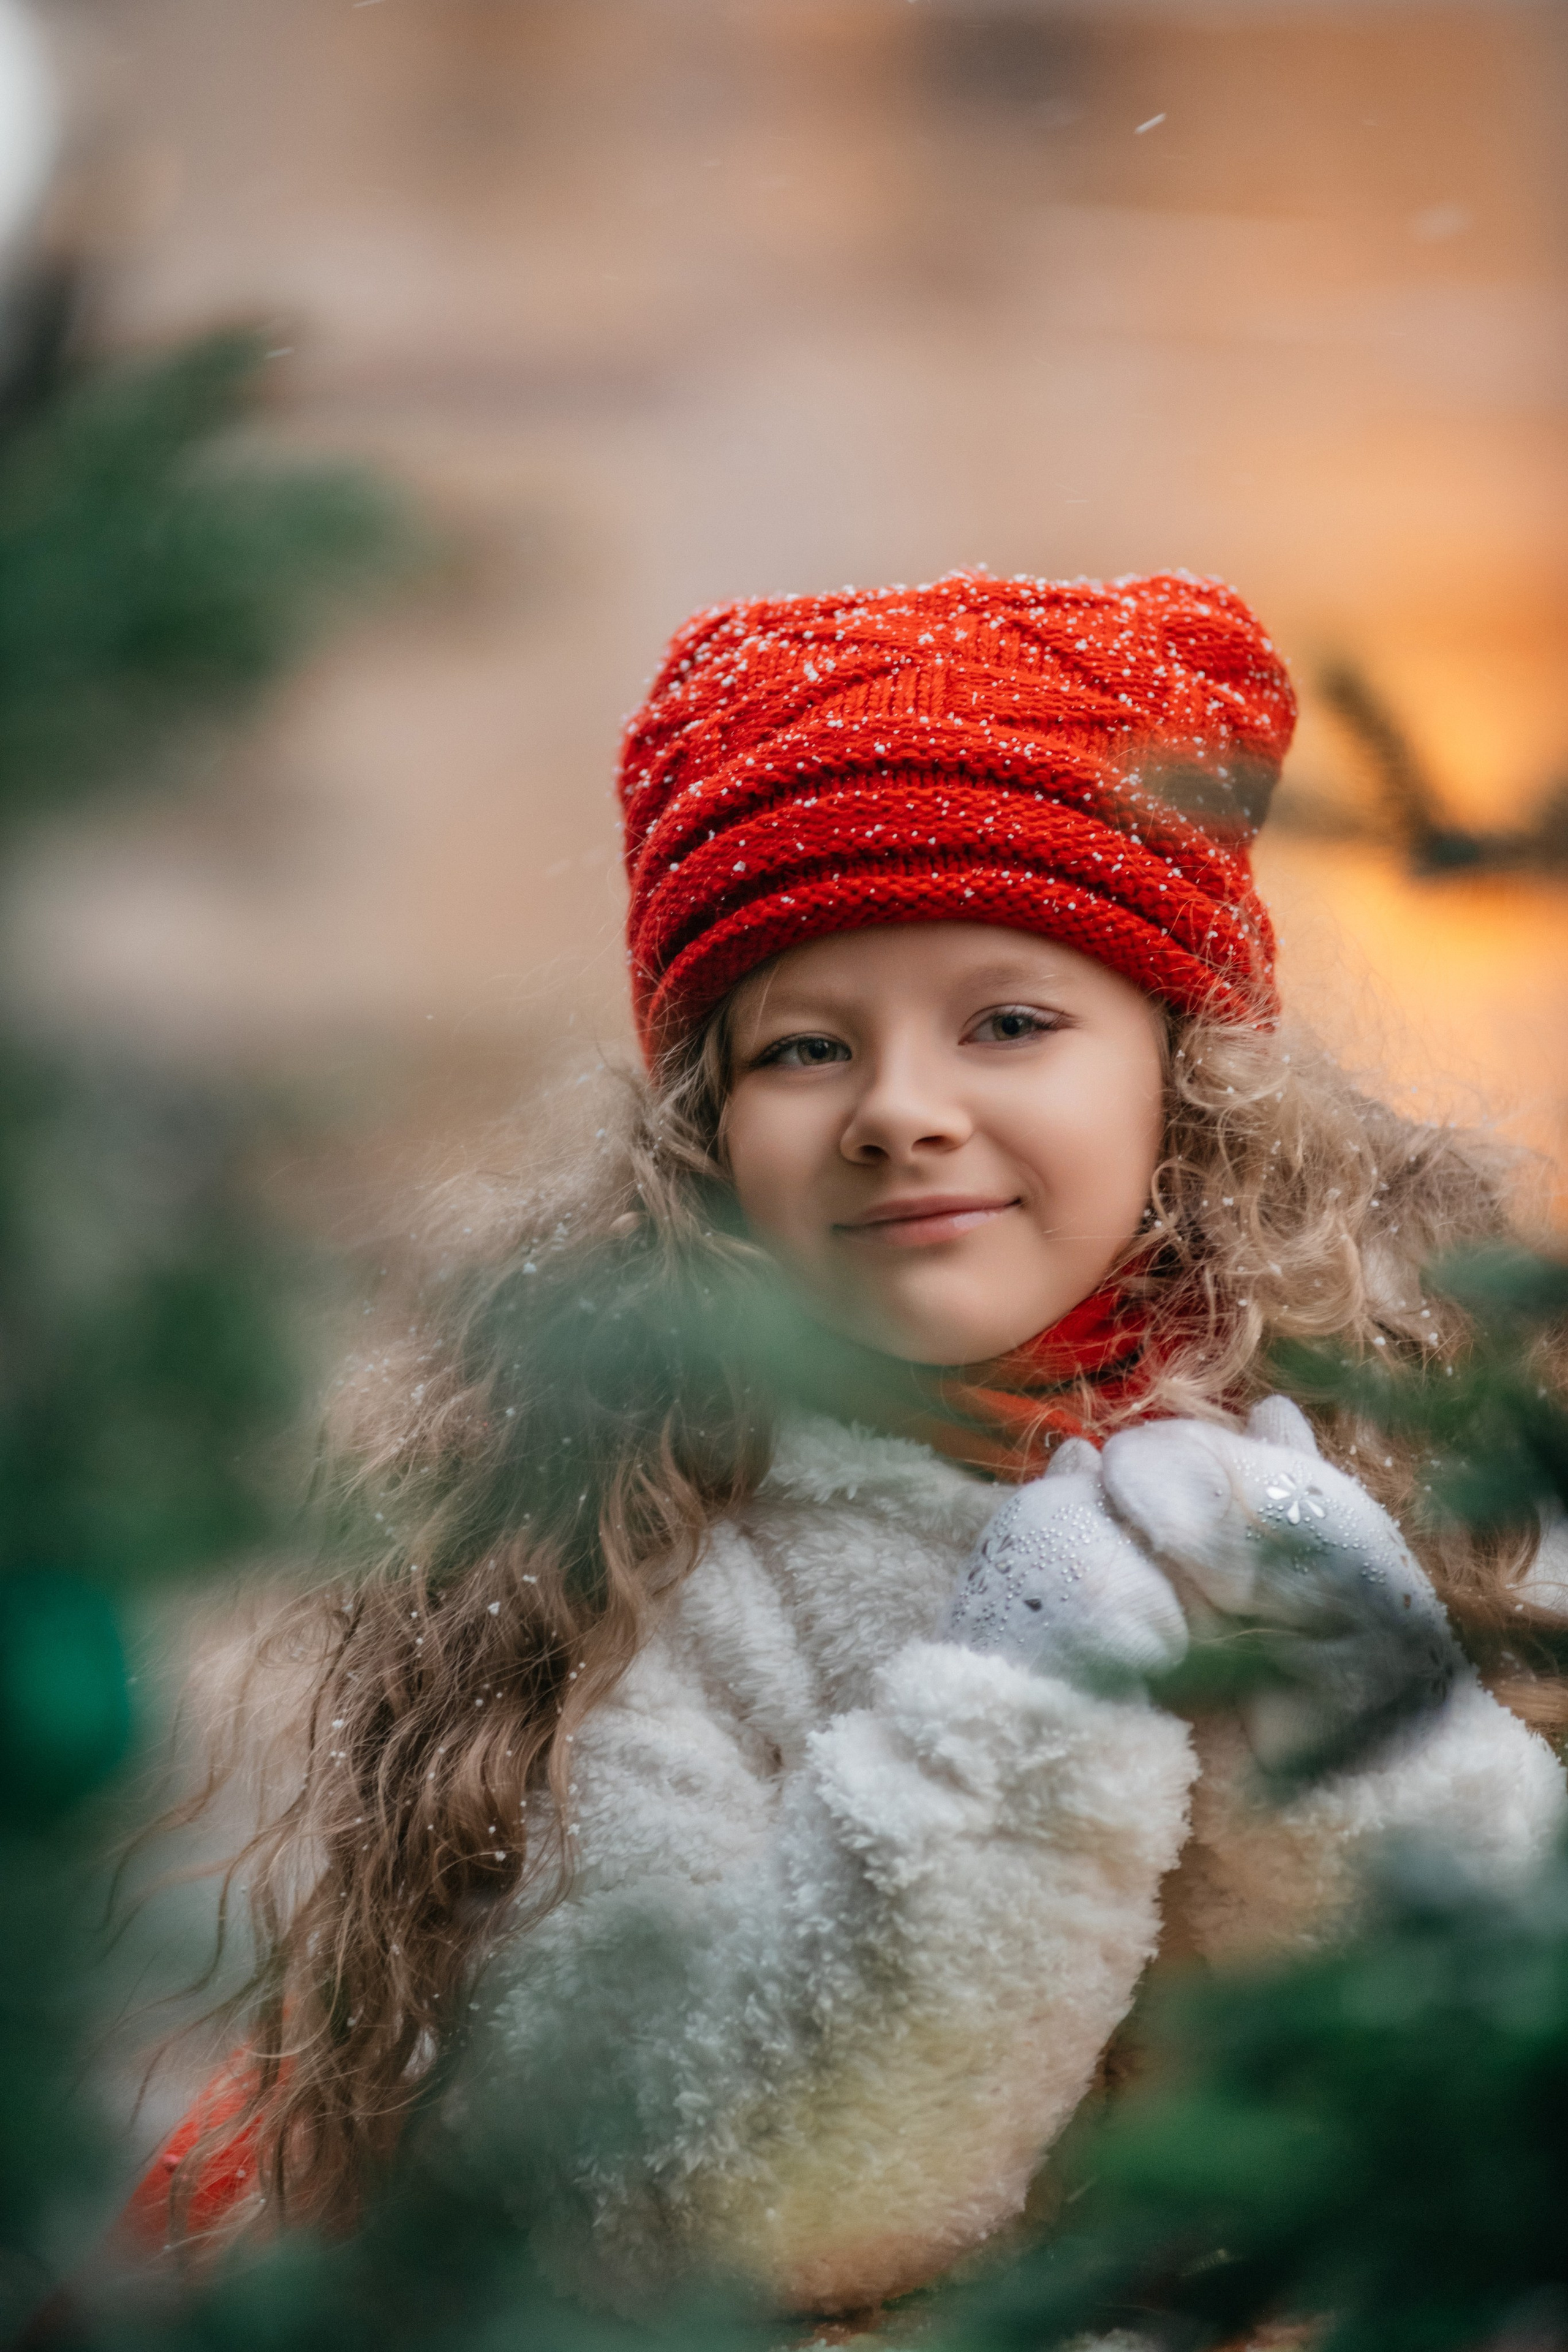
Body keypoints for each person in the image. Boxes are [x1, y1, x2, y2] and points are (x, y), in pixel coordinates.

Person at [127, 570, 1566, 2321]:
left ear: (1180, 1073)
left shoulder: (1428, 1478)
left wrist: (1360, 1696)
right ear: (712, 1138)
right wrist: (1028, 1708)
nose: (901, 1108)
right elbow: (703, 2194)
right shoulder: (644, 1577)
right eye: (809, 1048)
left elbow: (1494, 2080)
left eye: (1011, 1022)